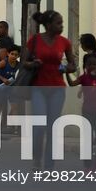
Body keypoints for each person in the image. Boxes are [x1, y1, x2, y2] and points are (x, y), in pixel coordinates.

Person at [23, 9, 76, 169]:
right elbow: (24, 62)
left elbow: (73, 65)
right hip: (39, 86)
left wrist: (66, 68)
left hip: (57, 88)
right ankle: (36, 158)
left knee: (53, 126)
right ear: (48, 25)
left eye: (62, 23)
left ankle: (49, 164)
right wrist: (33, 64)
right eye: (58, 23)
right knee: (39, 125)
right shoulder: (35, 40)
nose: (61, 26)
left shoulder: (65, 42)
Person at [71, 51, 96, 167]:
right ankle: (87, 165)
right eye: (89, 64)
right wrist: (66, 72)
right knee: (87, 138)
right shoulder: (84, 77)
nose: (92, 67)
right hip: (87, 111)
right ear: (85, 66)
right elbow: (72, 83)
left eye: (94, 64)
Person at [0, 46, 20, 127]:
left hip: (11, 88)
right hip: (1, 87)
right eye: (12, 54)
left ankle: (10, 125)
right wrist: (2, 79)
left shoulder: (18, 65)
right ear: (8, 54)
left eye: (16, 55)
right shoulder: (4, 62)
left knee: (15, 107)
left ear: (18, 56)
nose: (14, 56)